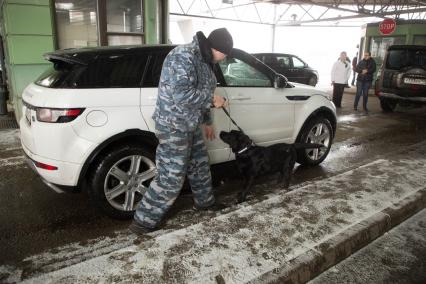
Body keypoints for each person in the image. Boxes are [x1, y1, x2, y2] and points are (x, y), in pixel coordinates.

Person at [130, 28, 233, 235]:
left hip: (191, 123)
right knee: (172, 174)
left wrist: (207, 120)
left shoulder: (206, 60)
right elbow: (181, 94)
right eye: (226, 53)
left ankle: (205, 203)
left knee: (199, 164)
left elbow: (203, 89)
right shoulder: (183, 56)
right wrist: (213, 100)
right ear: (217, 48)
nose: (226, 58)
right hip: (173, 125)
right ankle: (144, 220)